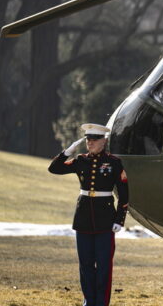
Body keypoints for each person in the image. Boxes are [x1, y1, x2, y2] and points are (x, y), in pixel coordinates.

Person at [48, 123, 129, 306]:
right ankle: (89, 301)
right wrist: (67, 152)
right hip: (83, 219)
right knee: (85, 266)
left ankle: (101, 303)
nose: (90, 143)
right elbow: (54, 168)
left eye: (94, 140)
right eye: (88, 140)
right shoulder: (80, 160)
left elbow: (124, 193)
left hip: (105, 221)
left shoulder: (114, 163)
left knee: (103, 267)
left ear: (104, 141)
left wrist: (119, 219)